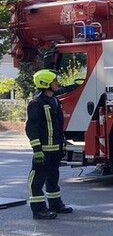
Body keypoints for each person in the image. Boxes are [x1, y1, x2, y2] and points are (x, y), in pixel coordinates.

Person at [25, 69, 73, 219]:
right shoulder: (37, 103)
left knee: (53, 177)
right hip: (43, 150)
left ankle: (55, 204)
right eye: (54, 81)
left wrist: (62, 145)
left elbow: (58, 126)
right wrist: (37, 150)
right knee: (37, 179)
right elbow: (32, 127)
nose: (57, 83)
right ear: (45, 83)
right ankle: (38, 209)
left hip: (55, 149)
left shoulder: (55, 101)